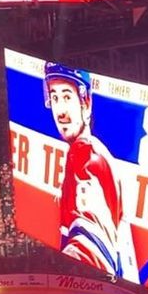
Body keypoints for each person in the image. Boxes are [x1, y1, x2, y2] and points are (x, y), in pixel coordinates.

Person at [44, 62, 125, 277]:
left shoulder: (85, 154)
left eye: (67, 97)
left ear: (86, 104)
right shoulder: (90, 151)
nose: (60, 110)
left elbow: (91, 252)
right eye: (54, 97)